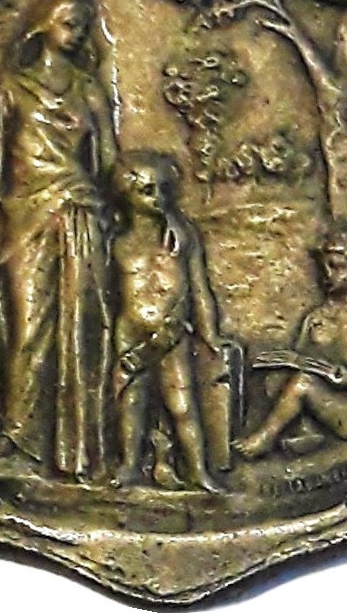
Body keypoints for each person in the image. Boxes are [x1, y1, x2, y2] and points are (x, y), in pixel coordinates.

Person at [0, 0, 117, 481]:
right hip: (28, 216)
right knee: (28, 329)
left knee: (82, 330)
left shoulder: (89, 93)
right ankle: (18, 440)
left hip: (80, 214)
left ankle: (82, 453)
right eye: (68, 22)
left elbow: (109, 168)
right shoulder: (11, 87)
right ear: (43, 26)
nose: (77, 34)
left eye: (83, 25)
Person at [234, 220, 347, 459]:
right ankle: (307, 433)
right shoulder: (316, 317)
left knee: (303, 384)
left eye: (337, 267)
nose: (328, 274)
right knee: (277, 380)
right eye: (324, 267)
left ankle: (265, 438)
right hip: (320, 401)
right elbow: (301, 363)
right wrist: (287, 361)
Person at [111, 150, 222, 492]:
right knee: (131, 402)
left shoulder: (182, 237)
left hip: (172, 333)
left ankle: (197, 471)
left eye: (163, 189)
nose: (157, 198)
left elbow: (199, 289)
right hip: (129, 332)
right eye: (147, 190)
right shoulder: (115, 239)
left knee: (181, 404)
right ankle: (130, 465)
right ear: (126, 193)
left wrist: (210, 334)